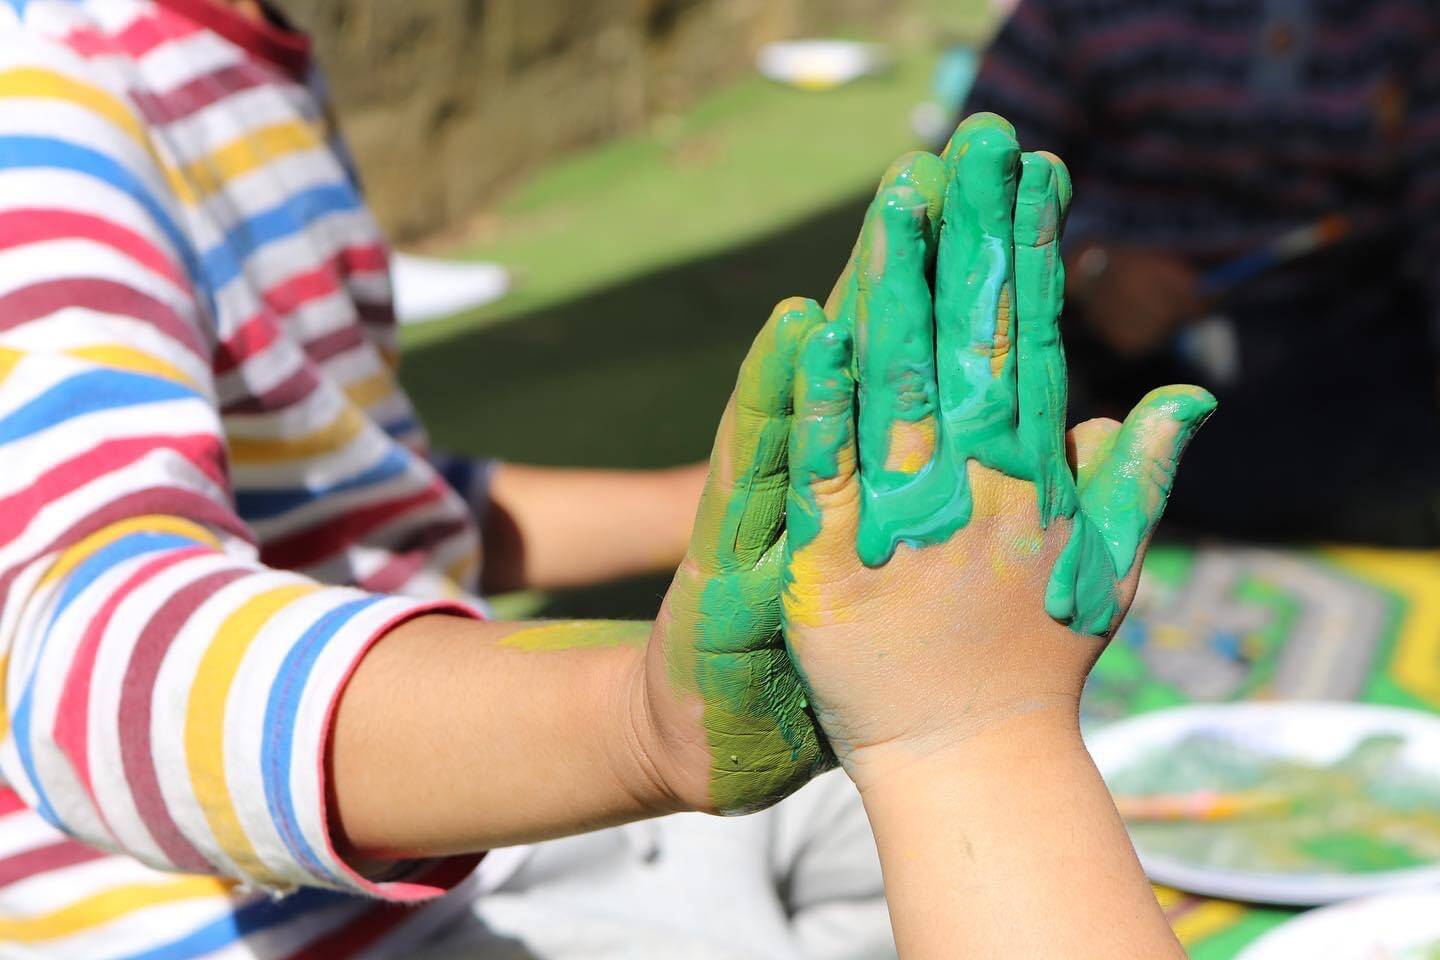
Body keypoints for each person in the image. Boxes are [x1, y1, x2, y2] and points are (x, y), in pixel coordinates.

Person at [0, 1, 1211, 958]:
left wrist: (749, 511)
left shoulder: (245, 58)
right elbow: (70, 661)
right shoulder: (43, 99)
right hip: (256, 911)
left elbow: (370, 501)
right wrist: (639, 725)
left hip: (479, 815)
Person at [963, 0, 1440, 546]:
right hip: (1111, 360)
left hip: (1349, 357)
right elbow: (980, 185)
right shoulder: (1072, 14)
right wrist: (1087, 266)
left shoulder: (1410, 20)